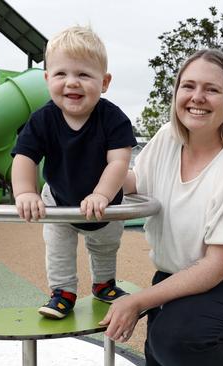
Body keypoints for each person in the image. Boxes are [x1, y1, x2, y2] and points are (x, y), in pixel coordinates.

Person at [100, 49, 223, 365]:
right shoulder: (167, 139)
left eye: (211, 89)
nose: (197, 97)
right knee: (161, 354)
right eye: (188, 86)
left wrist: (138, 301)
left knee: (176, 341)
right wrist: (83, 176)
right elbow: (133, 181)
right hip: (178, 276)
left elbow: (219, 266)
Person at [11, 25, 137, 319]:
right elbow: (24, 157)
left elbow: (118, 161)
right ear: (47, 79)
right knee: (58, 249)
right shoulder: (42, 119)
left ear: (104, 82)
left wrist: (101, 194)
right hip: (58, 199)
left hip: (104, 202)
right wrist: (25, 192)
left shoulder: (113, 118)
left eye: (83, 75)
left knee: (105, 245)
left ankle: (104, 283)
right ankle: (62, 291)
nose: (72, 83)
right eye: (61, 74)